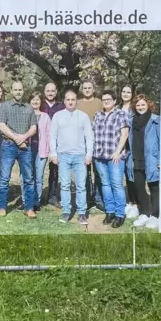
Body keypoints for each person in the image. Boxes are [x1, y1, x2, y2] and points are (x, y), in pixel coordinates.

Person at [49, 89, 93, 225]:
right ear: (64, 101)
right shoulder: (57, 116)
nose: (70, 102)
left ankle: (81, 213)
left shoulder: (83, 116)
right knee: (65, 185)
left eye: (73, 99)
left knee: (81, 186)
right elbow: (52, 136)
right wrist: (54, 153)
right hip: (63, 156)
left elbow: (89, 137)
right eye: (68, 99)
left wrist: (89, 154)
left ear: (76, 101)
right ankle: (66, 211)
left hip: (80, 156)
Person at [0, 81, 37, 218]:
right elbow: (1, 125)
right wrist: (15, 138)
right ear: (11, 91)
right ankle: (2, 207)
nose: (18, 92)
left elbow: (34, 128)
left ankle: (29, 208)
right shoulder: (5, 106)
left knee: (29, 179)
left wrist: (23, 137)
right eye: (15, 89)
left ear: (23, 91)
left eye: (20, 89)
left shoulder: (29, 108)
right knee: (4, 178)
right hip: (9, 146)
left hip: (25, 148)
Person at [92, 90, 130, 228]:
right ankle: (110, 211)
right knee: (105, 185)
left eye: (109, 99)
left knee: (116, 185)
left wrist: (117, 152)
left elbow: (124, 134)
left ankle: (120, 214)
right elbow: (93, 134)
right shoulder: (97, 115)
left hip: (115, 157)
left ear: (114, 101)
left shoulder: (121, 114)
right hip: (99, 156)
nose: (106, 101)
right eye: (104, 99)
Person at [126, 94, 161, 229]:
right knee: (139, 187)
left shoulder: (156, 120)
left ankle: (155, 216)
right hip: (135, 159)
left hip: (151, 159)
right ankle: (145, 213)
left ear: (148, 105)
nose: (140, 107)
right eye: (138, 105)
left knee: (154, 188)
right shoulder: (131, 121)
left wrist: (160, 159)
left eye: (143, 104)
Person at [20, 91, 51, 211]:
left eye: (38, 99)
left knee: (38, 177)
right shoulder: (24, 114)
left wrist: (50, 150)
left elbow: (49, 134)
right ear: (29, 101)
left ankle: (36, 202)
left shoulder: (45, 116)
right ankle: (25, 201)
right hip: (26, 149)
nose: (35, 101)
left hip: (40, 150)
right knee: (25, 177)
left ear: (41, 102)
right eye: (33, 99)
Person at [76, 80, 104, 211]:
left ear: (93, 89)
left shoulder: (100, 102)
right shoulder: (78, 103)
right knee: (84, 172)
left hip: (98, 142)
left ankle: (98, 198)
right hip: (82, 143)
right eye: (85, 88)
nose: (87, 90)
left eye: (89, 88)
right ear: (82, 89)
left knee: (98, 171)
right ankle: (87, 199)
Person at [39, 81, 65, 208]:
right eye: (48, 91)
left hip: (57, 143)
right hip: (40, 142)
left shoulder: (61, 106)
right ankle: (36, 196)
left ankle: (52, 196)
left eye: (52, 91)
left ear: (56, 92)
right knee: (37, 171)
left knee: (54, 170)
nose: (50, 93)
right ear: (44, 92)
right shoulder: (39, 104)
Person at [119, 84, 139, 220]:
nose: (125, 94)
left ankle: (135, 204)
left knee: (132, 176)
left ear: (132, 94)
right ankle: (128, 201)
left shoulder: (134, 109)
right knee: (124, 174)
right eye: (124, 91)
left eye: (128, 92)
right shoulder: (118, 108)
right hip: (121, 147)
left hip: (132, 145)